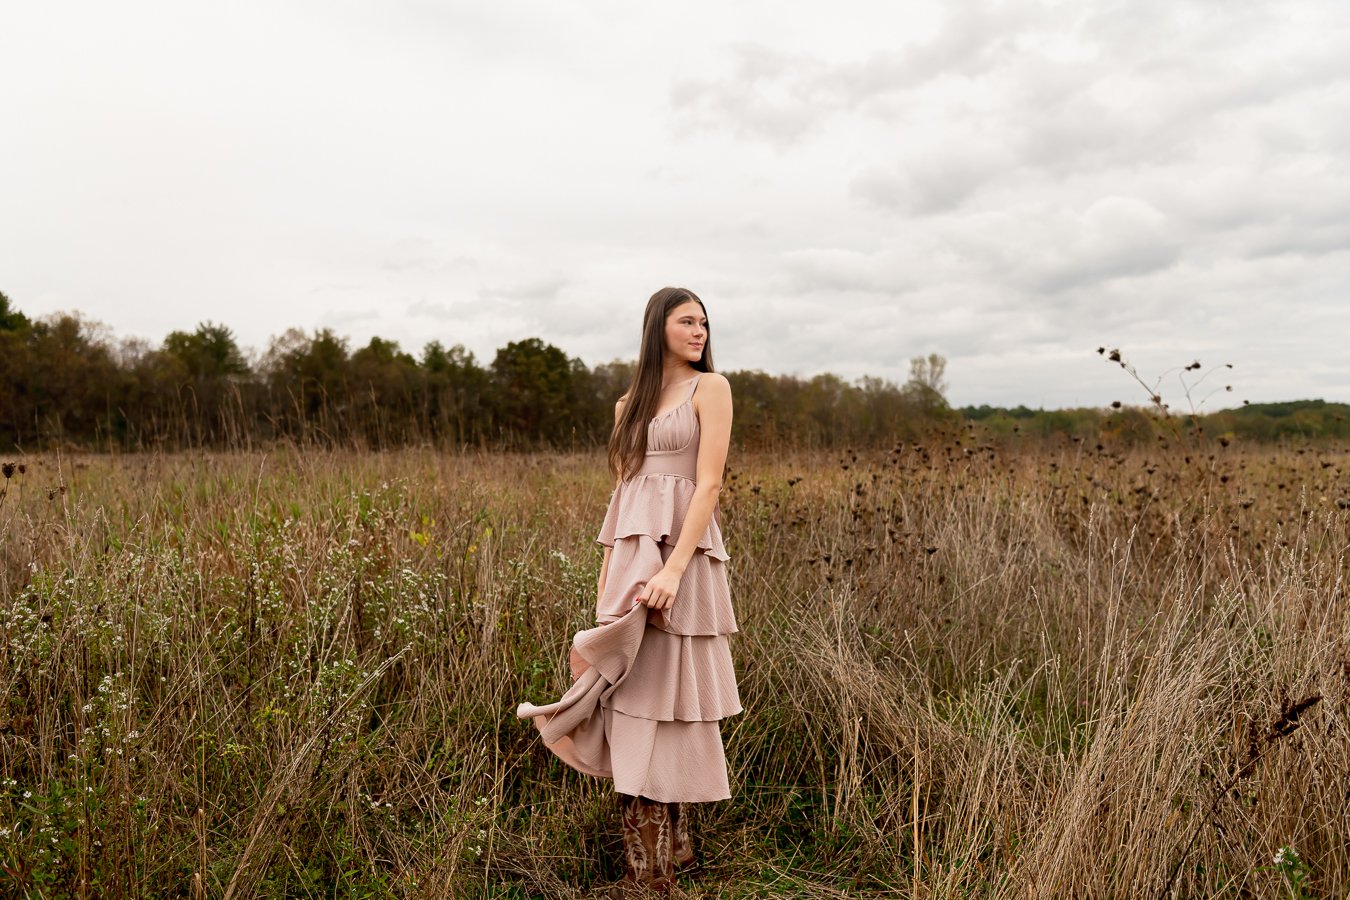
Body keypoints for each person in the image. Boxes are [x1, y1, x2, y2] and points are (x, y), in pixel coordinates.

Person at [516, 287, 741, 894]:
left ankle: (655, 879)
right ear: (657, 327)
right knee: (629, 699)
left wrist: (673, 570)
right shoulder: (627, 405)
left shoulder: (710, 389)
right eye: (686, 321)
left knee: (666, 703)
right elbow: (622, 498)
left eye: (704, 322)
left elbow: (710, 484)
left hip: (681, 561)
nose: (700, 331)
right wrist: (608, 581)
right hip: (630, 563)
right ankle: (666, 862)